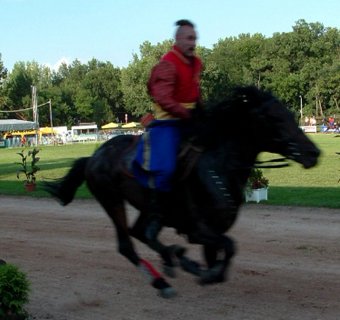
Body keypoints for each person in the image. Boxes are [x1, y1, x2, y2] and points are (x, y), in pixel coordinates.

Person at [133, 19, 202, 241]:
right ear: (178, 39)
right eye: (190, 38)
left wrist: (202, 112)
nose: (194, 43)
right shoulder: (167, 64)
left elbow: (194, 93)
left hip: (190, 119)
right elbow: (162, 98)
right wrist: (186, 113)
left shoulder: (196, 63)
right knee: (167, 168)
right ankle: (155, 216)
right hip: (167, 123)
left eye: (195, 38)